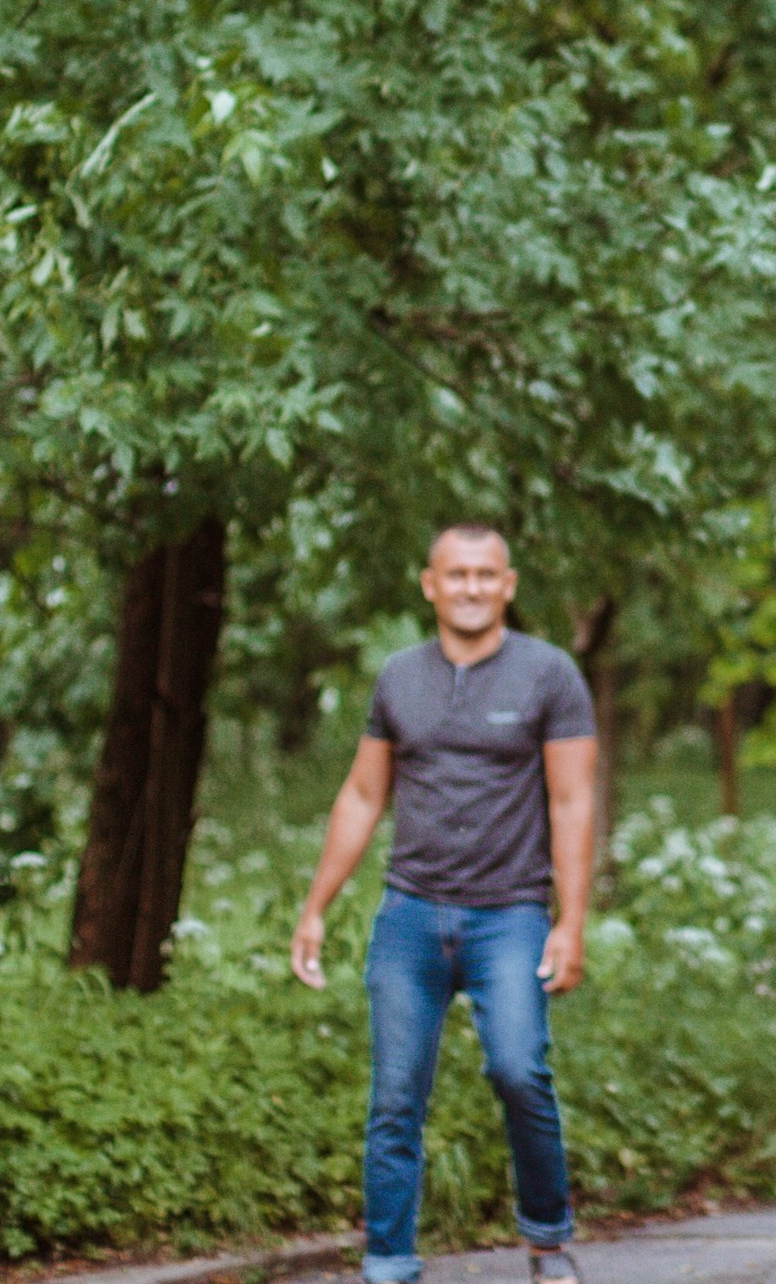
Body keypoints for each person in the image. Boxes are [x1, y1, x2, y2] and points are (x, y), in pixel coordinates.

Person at [291, 525, 598, 1284]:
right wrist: (315, 906)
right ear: (429, 584)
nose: (471, 587)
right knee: (396, 1096)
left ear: (508, 585)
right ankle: (389, 1263)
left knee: (519, 1070)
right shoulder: (400, 676)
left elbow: (572, 801)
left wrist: (570, 921)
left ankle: (547, 1237)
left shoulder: (549, 674)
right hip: (411, 915)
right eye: (456, 574)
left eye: (485, 574)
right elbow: (363, 795)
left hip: (510, 915)